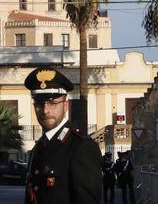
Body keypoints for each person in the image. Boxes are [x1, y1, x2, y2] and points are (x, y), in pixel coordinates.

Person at [24, 67, 102, 204]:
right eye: (39, 104)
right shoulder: (39, 147)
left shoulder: (81, 147)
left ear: (65, 106)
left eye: (53, 103)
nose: (45, 111)